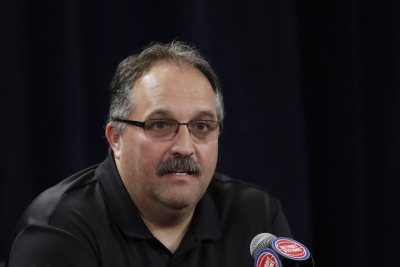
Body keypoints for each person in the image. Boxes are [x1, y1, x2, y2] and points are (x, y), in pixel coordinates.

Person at [7, 41, 293, 266]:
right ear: (116, 138)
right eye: (160, 125)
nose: (184, 146)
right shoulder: (58, 230)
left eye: (202, 126)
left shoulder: (257, 218)